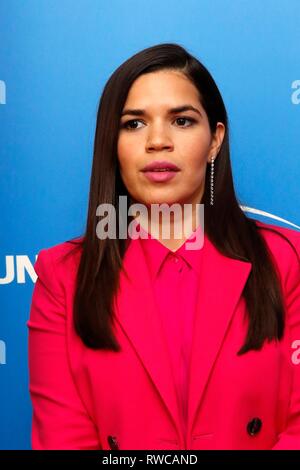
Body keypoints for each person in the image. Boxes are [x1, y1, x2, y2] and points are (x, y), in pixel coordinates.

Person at [27, 43, 300, 450]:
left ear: (214, 141)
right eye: (134, 124)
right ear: (111, 143)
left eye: (182, 121)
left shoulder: (287, 260)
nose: (158, 140)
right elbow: (63, 438)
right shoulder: (62, 275)